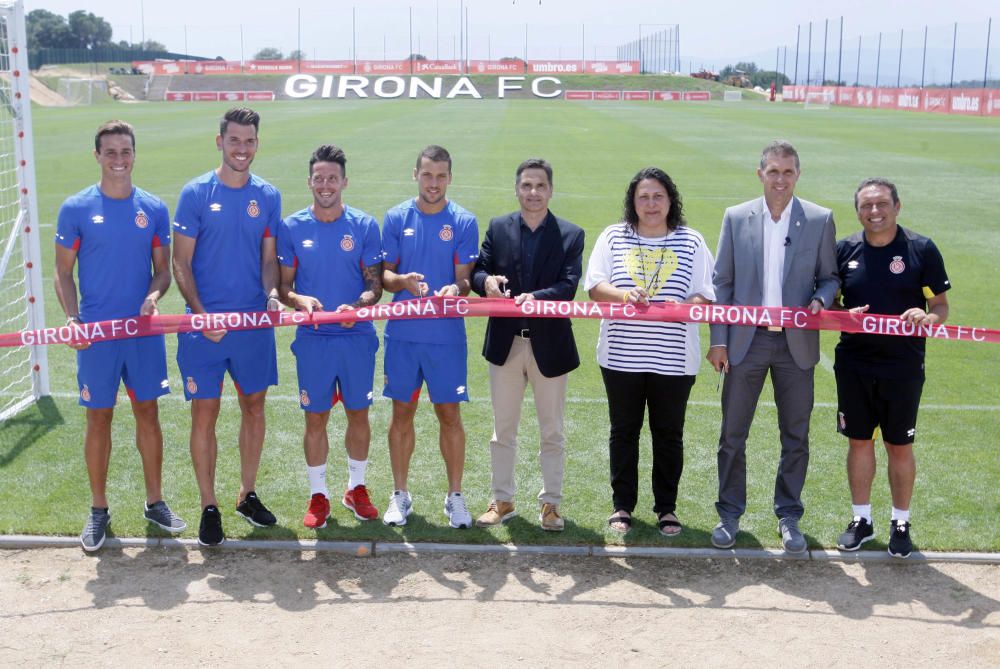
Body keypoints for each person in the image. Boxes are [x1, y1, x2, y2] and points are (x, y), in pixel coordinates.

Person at [54, 120, 186, 551]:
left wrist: (152, 295)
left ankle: (154, 501)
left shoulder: (152, 207)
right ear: (97, 156)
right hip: (97, 334)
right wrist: (74, 320)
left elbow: (163, 270)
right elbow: (62, 273)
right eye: (110, 152)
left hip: (143, 332)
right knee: (99, 417)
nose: (118, 160)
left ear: (134, 154)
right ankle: (98, 510)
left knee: (148, 413)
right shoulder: (75, 209)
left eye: (125, 151)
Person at [707, 140, 839, 553]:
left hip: (795, 346)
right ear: (760, 173)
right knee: (733, 435)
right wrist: (718, 340)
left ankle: (789, 516)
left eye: (787, 172)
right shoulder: (736, 217)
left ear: (797, 175)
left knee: (795, 436)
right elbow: (722, 284)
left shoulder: (819, 219)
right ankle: (729, 514)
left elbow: (830, 277)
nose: (780, 179)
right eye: (773, 171)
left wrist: (821, 299)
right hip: (746, 342)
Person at [172, 107, 282, 546]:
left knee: (254, 407)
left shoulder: (268, 195)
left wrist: (272, 295)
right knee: (206, 411)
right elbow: (181, 262)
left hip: (253, 324)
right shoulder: (196, 192)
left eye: (249, 141)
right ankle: (208, 506)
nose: (242, 148)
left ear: (257, 143)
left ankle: (246, 493)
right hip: (205, 326)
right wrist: (200, 314)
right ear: (220, 142)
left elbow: (269, 260)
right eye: (234, 140)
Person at [585, 167, 715, 537]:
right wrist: (624, 295)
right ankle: (622, 505)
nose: (651, 203)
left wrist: (685, 303)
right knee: (623, 431)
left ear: (671, 200)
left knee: (668, 433)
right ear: (633, 201)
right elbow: (594, 285)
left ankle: (666, 508)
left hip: (673, 358)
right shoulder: (614, 236)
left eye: (658, 196)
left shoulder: (690, 241)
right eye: (643, 196)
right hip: (621, 355)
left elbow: (707, 292)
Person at [834, 178, 950, 559]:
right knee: (859, 441)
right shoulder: (844, 250)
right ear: (858, 211)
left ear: (897, 206)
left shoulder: (921, 249)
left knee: (899, 445)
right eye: (867, 205)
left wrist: (928, 316)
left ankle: (901, 522)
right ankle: (861, 519)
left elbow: (941, 307)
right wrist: (841, 314)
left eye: (882, 204)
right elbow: (828, 305)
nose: (875, 211)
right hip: (854, 363)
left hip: (902, 366)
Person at [471, 158, 584, 532]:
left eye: (540, 186)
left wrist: (535, 297)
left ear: (550, 190)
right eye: (526, 186)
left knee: (551, 430)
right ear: (517, 189)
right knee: (503, 429)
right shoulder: (499, 227)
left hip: (549, 346)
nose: (533, 192)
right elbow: (479, 269)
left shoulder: (571, 233)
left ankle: (551, 504)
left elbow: (568, 286)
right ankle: (502, 501)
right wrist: (486, 282)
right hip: (506, 344)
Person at [277, 144, 384, 529]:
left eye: (332, 178)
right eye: (319, 178)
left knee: (359, 413)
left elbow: (375, 286)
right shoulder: (291, 227)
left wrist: (357, 305)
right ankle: (318, 495)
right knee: (315, 417)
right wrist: (297, 298)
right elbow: (284, 286)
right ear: (309, 181)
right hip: (313, 339)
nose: (325, 185)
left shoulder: (364, 225)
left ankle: (356, 488)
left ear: (344, 182)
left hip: (356, 337)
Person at [380, 145, 479, 529]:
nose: (433, 183)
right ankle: (400, 493)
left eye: (440, 176)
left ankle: (455, 496)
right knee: (401, 413)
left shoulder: (464, 221)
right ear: (415, 175)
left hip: (446, 337)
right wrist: (401, 281)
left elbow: (465, 277)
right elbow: (384, 276)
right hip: (403, 336)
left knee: (449, 414)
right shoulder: (395, 217)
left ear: (449, 178)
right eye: (427, 175)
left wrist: (458, 289)